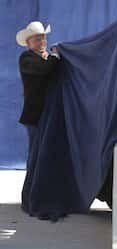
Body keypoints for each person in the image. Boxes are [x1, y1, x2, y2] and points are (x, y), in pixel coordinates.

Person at [16, 21, 61, 217]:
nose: (42, 40)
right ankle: (29, 201)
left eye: (43, 37)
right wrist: (56, 56)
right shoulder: (26, 58)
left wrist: (53, 57)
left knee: (44, 158)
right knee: (35, 159)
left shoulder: (44, 58)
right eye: (37, 38)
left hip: (46, 116)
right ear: (28, 42)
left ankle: (40, 198)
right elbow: (45, 69)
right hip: (35, 117)